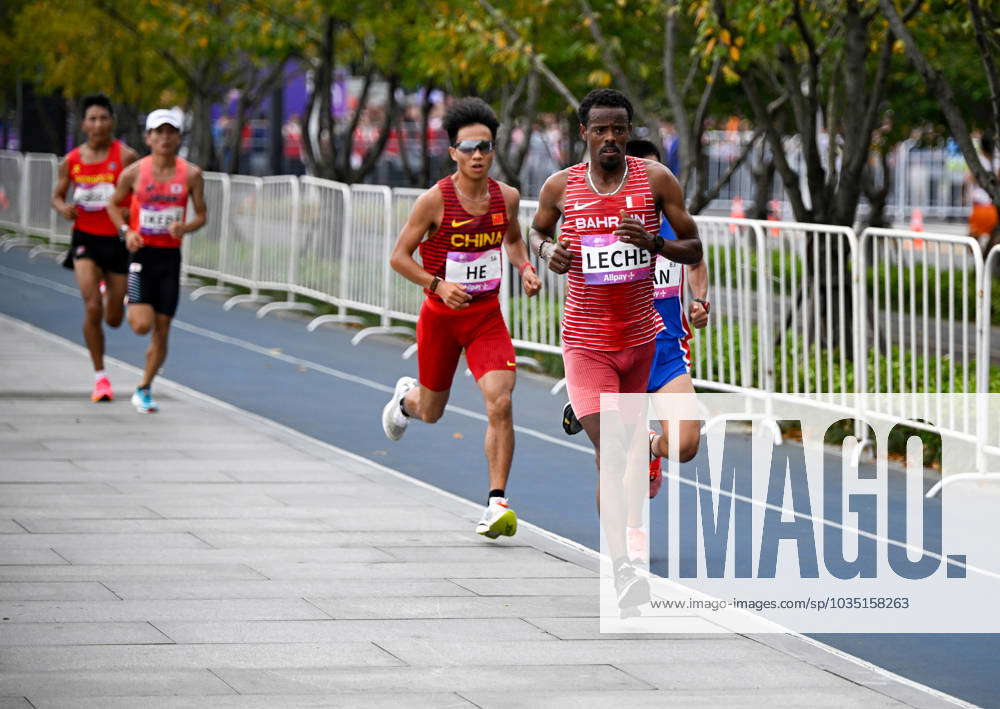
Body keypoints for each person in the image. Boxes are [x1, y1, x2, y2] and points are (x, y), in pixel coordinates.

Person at [529, 89, 702, 610]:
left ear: (629, 132)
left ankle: (628, 551)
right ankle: (625, 568)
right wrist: (547, 251)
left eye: (619, 129)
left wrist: (655, 246)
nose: (610, 139)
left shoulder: (655, 181)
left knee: (644, 447)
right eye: (600, 129)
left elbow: (694, 246)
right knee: (616, 453)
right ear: (583, 133)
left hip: (643, 338)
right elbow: (536, 231)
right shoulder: (561, 186)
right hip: (587, 344)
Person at [382, 97, 542, 538]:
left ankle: (496, 502)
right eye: (467, 147)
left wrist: (526, 268)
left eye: (485, 146)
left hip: (486, 317)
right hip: (440, 319)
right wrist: (436, 285)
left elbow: (512, 241)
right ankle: (405, 401)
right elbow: (399, 257)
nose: (477, 155)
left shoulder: (506, 197)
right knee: (431, 412)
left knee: (502, 400)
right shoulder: (434, 201)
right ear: (452, 151)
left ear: (493, 150)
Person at [106, 108, 207, 413]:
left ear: (178, 138)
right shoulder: (135, 172)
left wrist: (185, 227)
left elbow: (202, 214)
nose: (165, 137)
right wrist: (126, 231)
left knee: (162, 329)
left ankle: (144, 387)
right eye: (158, 132)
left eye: (170, 132)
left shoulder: (191, 174)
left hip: (169, 258)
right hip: (142, 255)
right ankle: (119, 294)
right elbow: (112, 205)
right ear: (148, 138)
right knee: (140, 326)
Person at [52, 94, 139, 402]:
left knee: (113, 319)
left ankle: (108, 292)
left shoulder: (126, 157)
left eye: (104, 118)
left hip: (115, 242)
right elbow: (58, 196)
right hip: (85, 238)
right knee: (91, 307)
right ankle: (100, 377)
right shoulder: (72, 160)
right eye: (93, 118)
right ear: (84, 124)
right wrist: (63, 208)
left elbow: (141, 193)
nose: (98, 124)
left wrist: (129, 212)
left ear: (112, 121)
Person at [968, 134, 999, 251]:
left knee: (973, 240)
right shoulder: (997, 161)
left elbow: (970, 178)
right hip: (994, 207)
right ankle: (987, 259)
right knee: (994, 240)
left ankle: (981, 260)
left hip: (980, 205)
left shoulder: (977, 161)